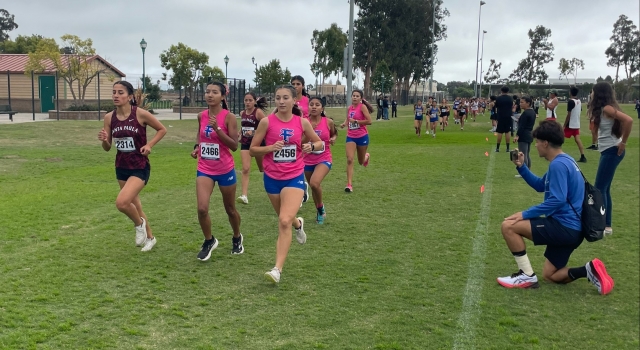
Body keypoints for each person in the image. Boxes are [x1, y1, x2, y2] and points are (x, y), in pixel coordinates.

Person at [497, 120, 613, 295]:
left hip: (565, 228)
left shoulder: (558, 165)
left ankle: (526, 275)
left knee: (508, 226)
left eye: (537, 142)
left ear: (545, 143)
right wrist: (521, 167)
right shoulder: (566, 160)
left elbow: (557, 200)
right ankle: (588, 270)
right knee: (550, 275)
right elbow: (540, 185)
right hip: (574, 230)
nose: (535, 146)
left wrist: (524, 214)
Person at [250, 85, 324, 284]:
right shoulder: (266, 122)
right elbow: (252, 150)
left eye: (285, 98)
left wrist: (311, 145)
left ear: (294, 101)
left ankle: (277, 270)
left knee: (283, 221)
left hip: (294, 176)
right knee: (287, 218)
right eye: (278, 98)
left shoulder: (302, 123)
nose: (281, 101)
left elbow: (321, 143)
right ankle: (299, 224)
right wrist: (270, 148)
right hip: (272, 178)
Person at [97, 80, 167, 252]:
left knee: (122, 203)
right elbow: (107, 148)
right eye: (114, 92)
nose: (116, 95)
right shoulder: (109, 117)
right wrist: (104, 140)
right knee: (135, 205)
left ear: (129, 96)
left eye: (120, 92)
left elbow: (162, 129)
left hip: (139, 166)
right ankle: (150, 238)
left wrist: (149, 145)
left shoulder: (140, 114)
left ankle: (139, 225)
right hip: (121, 166)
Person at [191, 82, 243, 260]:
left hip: (225, 169)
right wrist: (197, 147)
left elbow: (234, 146)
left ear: (223, 96)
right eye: (207, 92)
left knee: (230, 209)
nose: (209, 95)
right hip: (204, 168)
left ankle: (237, 237)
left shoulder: (229, 117)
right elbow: (200, 134)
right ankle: (209, 240)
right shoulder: (201, 115)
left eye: (214, 92)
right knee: (202, 208)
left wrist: (217, 129)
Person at [589, 82, 634, 236]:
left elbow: (628, 120)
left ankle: (603, 225)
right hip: (607, 151)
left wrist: (623, 142)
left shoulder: (607, 108)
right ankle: (607, 225)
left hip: (612, 151)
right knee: (605, 189)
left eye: (593, 91)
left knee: (599, 189)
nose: (591, 94)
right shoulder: (603, 110)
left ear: (599, 93)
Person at [303, 97, 337, 224]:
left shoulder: (328, 122)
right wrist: (308, 132)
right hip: (307, 159)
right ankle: (319, 210)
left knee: (314, 183)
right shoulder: (304, 122)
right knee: (313, 187)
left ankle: (320, 207)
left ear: (322, 108)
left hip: (324, 157)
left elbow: (334, 133)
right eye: (311, 104)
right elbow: (299, 142)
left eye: (317, 105)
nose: (314, 107)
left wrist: (333, 138)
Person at [340, 89, 374, 193]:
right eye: (353, 95)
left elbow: (369, 121)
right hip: (350, 136)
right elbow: (348, 119)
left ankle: (366, 156)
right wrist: (344, 124)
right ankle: (349, 184)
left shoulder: (362, 107)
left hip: (362, 136)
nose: (354, 97)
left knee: (360, 161)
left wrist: (356, 121)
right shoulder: (349, 108)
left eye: (357, 96)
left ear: (360, 98)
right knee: (350, 159)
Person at [237, 92, 268, 204]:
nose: (248, 102)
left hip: (258, 144)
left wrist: (254, 132)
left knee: (263, 169)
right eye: (246, 100)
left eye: (250, 100)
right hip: (245, 143)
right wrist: (240, 132)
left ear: (255, 101)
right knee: (245, 169)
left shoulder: (258, 113)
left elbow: (267, 126)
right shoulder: (242, 113)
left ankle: (273, 188)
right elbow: (244, 125)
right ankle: (244, 195)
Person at [291, 75, 311, 203]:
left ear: (302, 86)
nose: (295, 86)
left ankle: (300, 189)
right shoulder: (289, 100)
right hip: (292, 133)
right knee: (293, 160)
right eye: (293, 84)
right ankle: (300, 186)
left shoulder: (307, 101)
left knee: (300, 160)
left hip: (305, 133)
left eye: (298, 84)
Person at [564, 87, 587, 163]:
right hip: (576, 124)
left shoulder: (571, 102)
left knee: (559, 137)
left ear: (570, 92)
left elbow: (569, 114)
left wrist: (564, 125)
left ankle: (554, 153)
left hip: (570, 124)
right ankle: (583, 156)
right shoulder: (579, 101)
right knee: (577, 140)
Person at [514, 96, 536, 174]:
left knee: (523, 154)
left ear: (528, 103)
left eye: (522, 102)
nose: (520, 104)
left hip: (524, 135)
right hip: (530, 134)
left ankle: (525, 172)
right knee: (527, 154)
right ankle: (528, 170)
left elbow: (522, 126)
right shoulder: (532, 112)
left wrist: (517, 135)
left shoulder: (526, 113)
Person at [495, 86, 513, 152]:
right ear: (508, 91)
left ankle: (497, 148)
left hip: (500, 116)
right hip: (508, 116)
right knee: (507, 132)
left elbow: (496, 106)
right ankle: (507, 148)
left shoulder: (498, 98)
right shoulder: (510, 98)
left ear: (501, 91)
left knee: (500, 132)